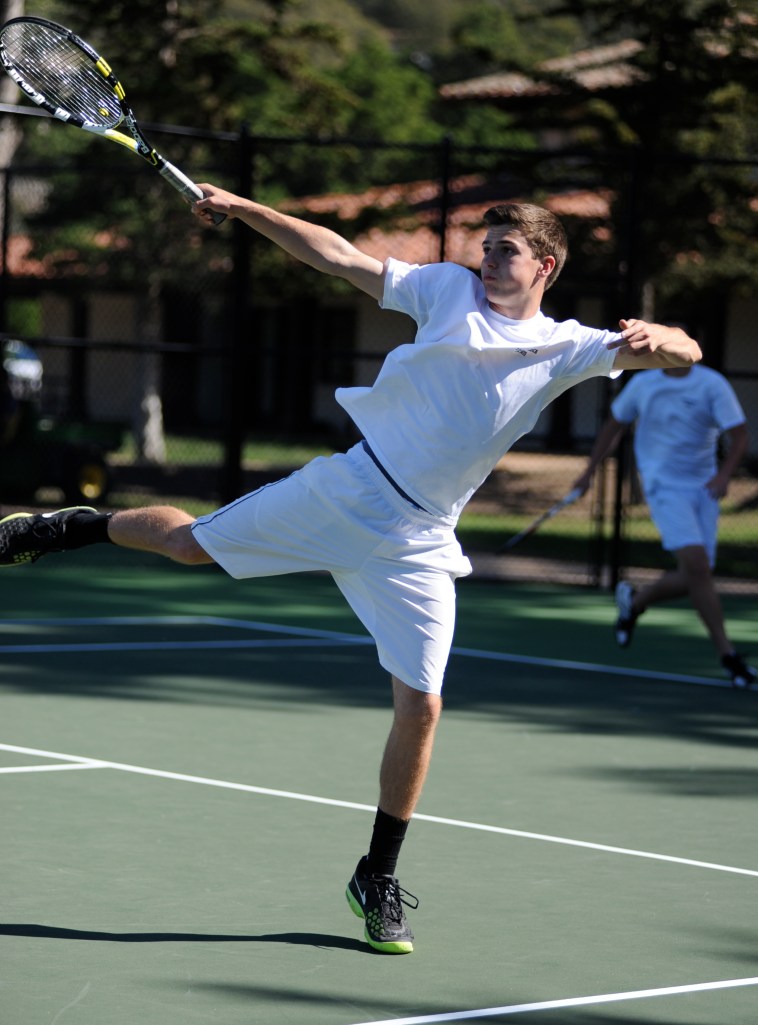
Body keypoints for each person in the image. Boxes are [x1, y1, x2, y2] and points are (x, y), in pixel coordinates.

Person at [0, 186, 702, 953]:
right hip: (348, 492)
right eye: (485, 246)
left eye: (506, 250)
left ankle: (377, 874)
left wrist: (663, 334)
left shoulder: (571, 346)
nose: (487, 259)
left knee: (423, 704)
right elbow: (336, 256)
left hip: (420, 542)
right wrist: (246, 210)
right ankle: (67, 527)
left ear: (546, 266)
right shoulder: (445, 290)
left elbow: (686, 354)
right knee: (190, 545)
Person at [573, 361, 754, 688]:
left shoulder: (712, 384)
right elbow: (613, 425)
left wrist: (724, 475)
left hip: (705, 490)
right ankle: (728, 656)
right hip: (663, 487)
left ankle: (635, 602)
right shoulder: (643, 384)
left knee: (696, 576)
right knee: (698, 567)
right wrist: (588, 472)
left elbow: (739, 436)